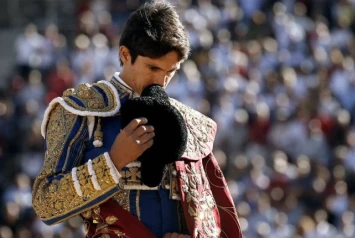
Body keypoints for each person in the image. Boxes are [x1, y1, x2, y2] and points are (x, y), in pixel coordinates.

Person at [31, 1, 242, 238]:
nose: (161, 82)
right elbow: (45, 202)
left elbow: (212, 214)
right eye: (152, 68)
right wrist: (113, 162)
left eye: (170, 72)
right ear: (125, 54)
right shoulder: (80, 112)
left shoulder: (188, 122)